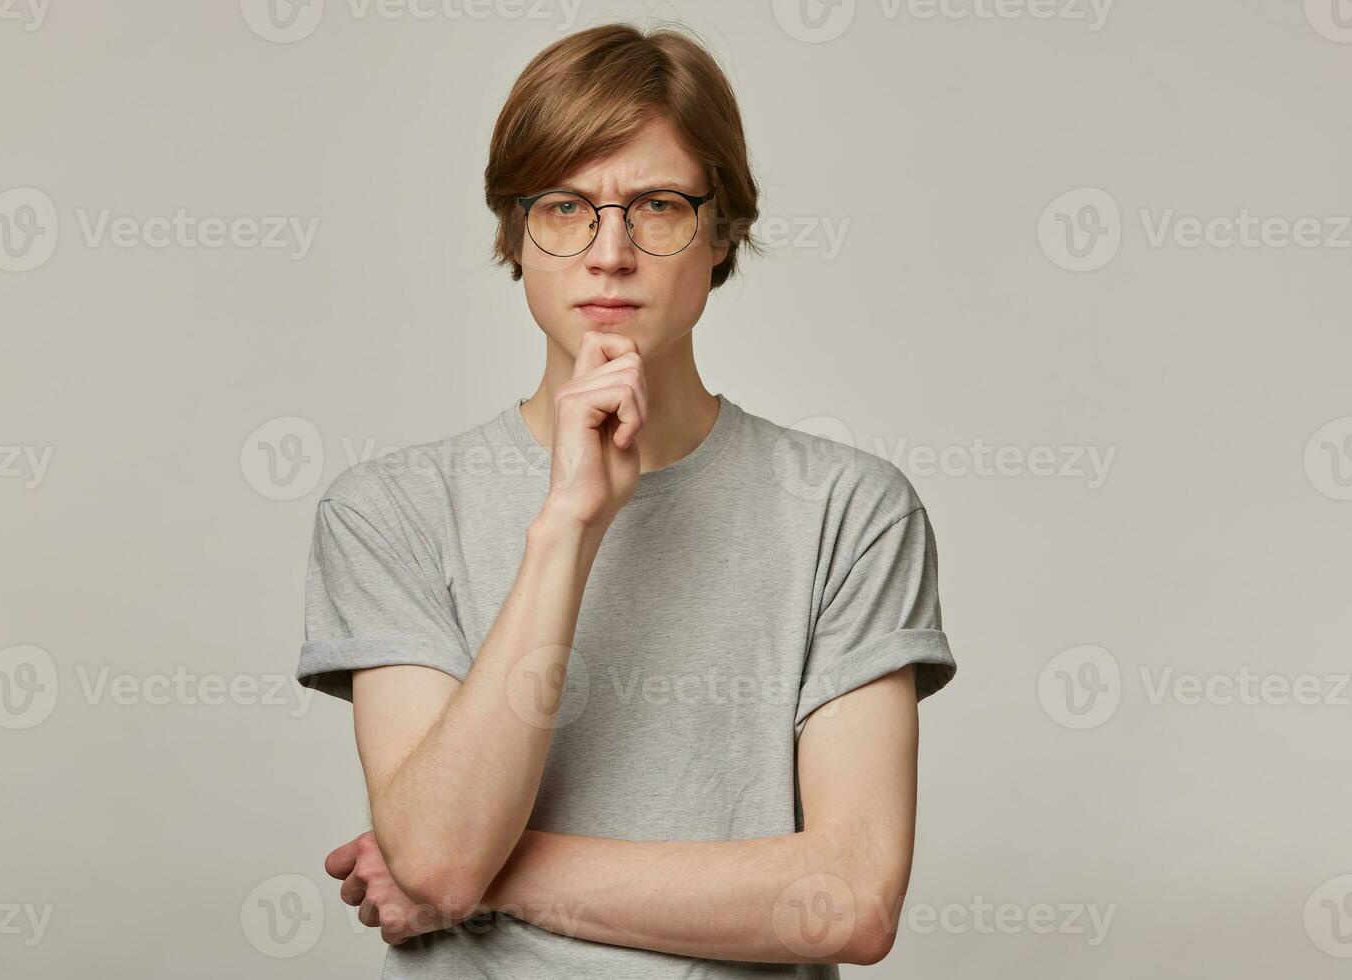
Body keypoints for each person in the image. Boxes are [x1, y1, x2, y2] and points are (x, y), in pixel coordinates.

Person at [296, 21, 957, 980]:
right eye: (565, 207)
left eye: (656, 206)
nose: (609, 253)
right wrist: (568, 524)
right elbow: (436, 855)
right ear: (515, 234)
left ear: (722, 229)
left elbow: (848, 903)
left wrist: (485, 876)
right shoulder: (388, 510)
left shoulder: (848, 512)